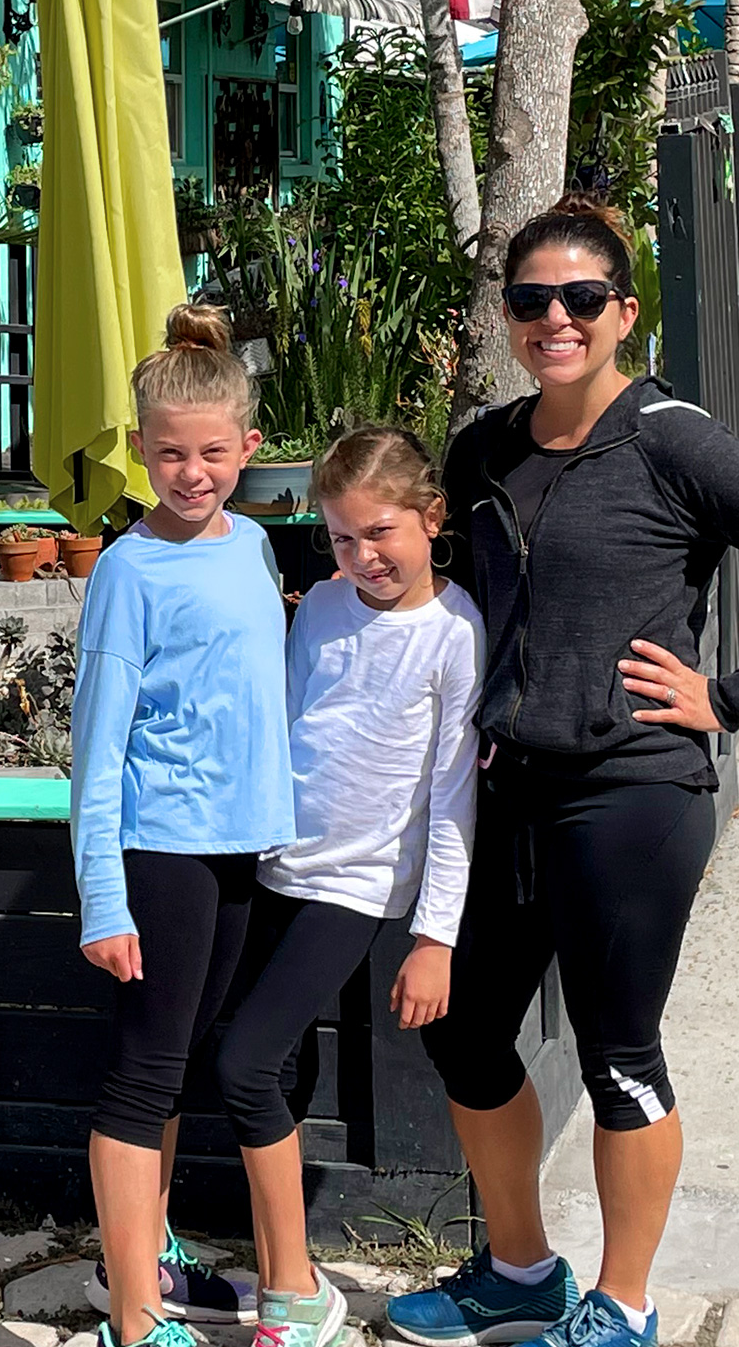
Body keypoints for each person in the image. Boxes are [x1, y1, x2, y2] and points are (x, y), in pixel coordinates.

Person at [384, 196, 739, 1347]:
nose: (555, 318)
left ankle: (626, 1304)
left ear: (622, 313)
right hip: (508, 791)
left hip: (633, 793)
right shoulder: (486, 446)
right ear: (510, 316)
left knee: (618, 1058)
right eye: (530, 300)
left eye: (580, 299)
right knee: (459, 1031)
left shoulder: (672, 438)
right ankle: (517, 1271)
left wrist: (732, 697)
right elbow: (451, 591)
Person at [213, 426, 483, 1347]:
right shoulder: (322, 607)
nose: (363, 556)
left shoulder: (454, 634)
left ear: (431, 518)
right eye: (340, 537)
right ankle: (277, 1263)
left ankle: (296, 1292)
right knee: (274, 1067)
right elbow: (289, 724)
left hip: (356, 887)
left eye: (381, 534)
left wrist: (435, 935)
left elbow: (453, 796)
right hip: (273, 861)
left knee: (243, 1063)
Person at [71, 303, 294, 1347]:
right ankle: (131, 1316)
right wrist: (103, 898)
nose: (192, 473)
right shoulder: (126, 571)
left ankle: (153, 1256)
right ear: (139, 451)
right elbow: (97, 749)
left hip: (239, 847)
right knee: (145, 1073)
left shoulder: (253, 545)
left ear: (248, 447)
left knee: (183, 1058)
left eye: (212, 453)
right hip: (161, 851)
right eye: (170, 454)